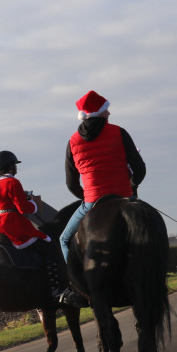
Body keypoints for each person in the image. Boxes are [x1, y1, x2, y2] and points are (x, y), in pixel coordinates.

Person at [59, 90, 146, 265]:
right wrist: (132, 187)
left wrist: (87, 197)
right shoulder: (119, 132)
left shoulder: (72, 142)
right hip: (124, 195)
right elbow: (139, 169)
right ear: (99, 111)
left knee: (65, 240)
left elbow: (71, 183)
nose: (109, 112)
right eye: (106, 109)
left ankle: (75, 285)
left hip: (92, 200)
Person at [0, 150, 77, 306]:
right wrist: (33, 204)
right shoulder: (12, 182)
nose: (16, 168)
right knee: (49, 247)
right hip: (13, 225)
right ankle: (57, 289)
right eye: (15, 165)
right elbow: (23, 208)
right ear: (10, 166)